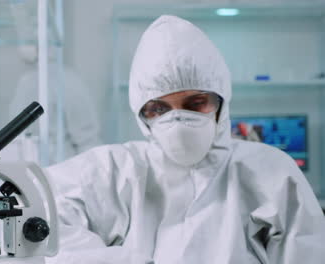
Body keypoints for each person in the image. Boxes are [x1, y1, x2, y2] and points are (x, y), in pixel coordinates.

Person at [45, 16, 325, 264]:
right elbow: (40, 212)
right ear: (142, 114)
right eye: (159, 108)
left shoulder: (268, 172)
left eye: (196, 102)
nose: (178, 121)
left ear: (221, 103)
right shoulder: (117, 170)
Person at [9, 45, 102, 163]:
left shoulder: (67, 81)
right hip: (32, 170)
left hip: (62, 170)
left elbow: (87, 139)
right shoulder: (25, 80)